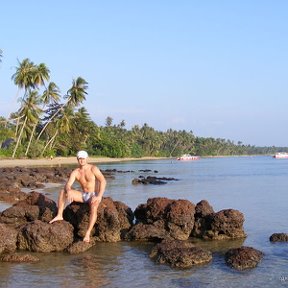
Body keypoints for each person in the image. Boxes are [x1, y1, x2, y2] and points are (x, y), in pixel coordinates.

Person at [49, 150, 106, 243]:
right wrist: (69, 191)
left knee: (94, 206)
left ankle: (87, 233)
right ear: (77, 159)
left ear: (86, 158)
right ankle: (59, 215)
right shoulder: (76, 172)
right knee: (63, 192)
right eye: (80, 158)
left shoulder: (93, 168)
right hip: (83, 195)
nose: (81, 160)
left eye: (83, 158)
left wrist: (99, 196)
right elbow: (68, 185)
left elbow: (103, 181)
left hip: (94, 195)